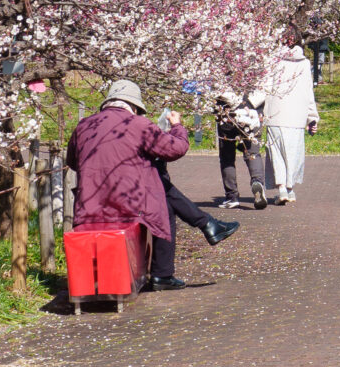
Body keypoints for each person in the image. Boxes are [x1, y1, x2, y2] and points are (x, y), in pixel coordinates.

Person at [69, 80, 236, 293]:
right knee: (162, 203)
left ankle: (206, 226)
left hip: (89, 203)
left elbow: (73, 162)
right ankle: (166, 269)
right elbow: (176, 149)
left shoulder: (84, 126)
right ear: (135, 107)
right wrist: (177, 127)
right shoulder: (137, 124)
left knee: (160, 187)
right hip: (126, 204)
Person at [262, 32, 319, 204]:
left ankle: (281, 189)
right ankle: (290, 189)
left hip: (275, 113)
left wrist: (254, 107)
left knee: (277, 153)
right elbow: (308, 91)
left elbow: (264, 86)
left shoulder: (272, 60)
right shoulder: (305, 63)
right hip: (297, 115)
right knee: (293, 153)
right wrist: (312, 117)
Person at [212, 90, 271, 209]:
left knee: (227, 157)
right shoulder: (261, 71)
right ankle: (257, 182)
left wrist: (233, 103)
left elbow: (217, 86)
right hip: (252, 113)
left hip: (227, 113)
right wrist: (249, 103)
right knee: (253, 153)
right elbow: (266, 86)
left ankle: (231, 196)